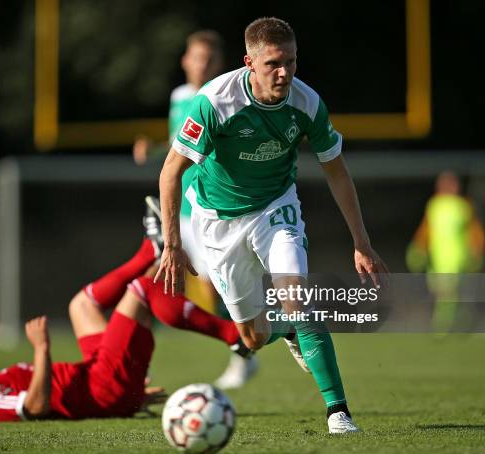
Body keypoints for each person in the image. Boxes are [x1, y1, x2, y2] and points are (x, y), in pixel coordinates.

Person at [156, 17, 388, 433]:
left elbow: (337, 171)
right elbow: (171, 172)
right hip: (217, 220)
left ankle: (338, 412)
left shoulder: (307, 104)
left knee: (297, 294)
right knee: (253, 338)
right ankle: (286, 330)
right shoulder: (215, 101)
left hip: (275, 208)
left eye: (292, 62)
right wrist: (173, 244)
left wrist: (361, 242)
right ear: (250, 62)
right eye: (273, 64)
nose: (285, 73)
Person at [0, 208, 256, 422]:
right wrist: (42, 349)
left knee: (80, 305)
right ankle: (235, 337)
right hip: (103, 384)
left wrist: (130, 395)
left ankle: (149, 250)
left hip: (98, 378)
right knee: (143, 288)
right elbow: (34, 408)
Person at [134, 31, 258, 389]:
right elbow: (182, 145)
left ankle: (243, 353)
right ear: (185, 60)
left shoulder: (222, 95)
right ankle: (138, 367)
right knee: (147, 280)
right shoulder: (179, 97)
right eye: (196, 56)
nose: (201, 64)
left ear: (219, 64)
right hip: (177, 212)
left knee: (219, 289)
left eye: (209, 58)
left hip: (206, 210)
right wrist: (155, 149)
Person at [406, 170, 485, 332]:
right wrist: (418, 247)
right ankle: (463, 318)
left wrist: (476, 251)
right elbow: (426, 229)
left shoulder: (463, 205)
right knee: (442, 292)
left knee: (447, 292)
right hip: (437, 258)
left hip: (457, 257)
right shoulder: (434, 205)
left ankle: (442, 325)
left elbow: (475, 231)